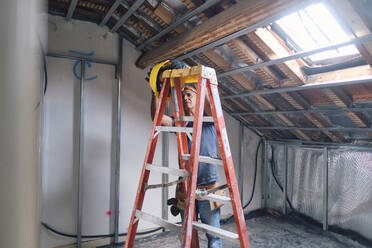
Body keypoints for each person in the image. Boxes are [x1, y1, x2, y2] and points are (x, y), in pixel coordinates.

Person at [151, 82, 223, 248]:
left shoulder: (209, 119)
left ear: (198, 98)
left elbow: (208, 103)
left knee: (214, 238)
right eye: (183, 96)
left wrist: (201, 80)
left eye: (189, 94)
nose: (185, 98)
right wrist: (156, 91)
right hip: (185, 186)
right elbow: (158, 118)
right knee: (188, 238)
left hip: (209, 187)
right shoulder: (181, 123)